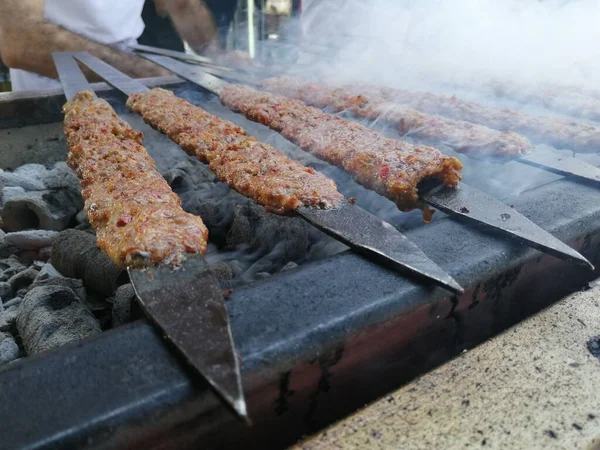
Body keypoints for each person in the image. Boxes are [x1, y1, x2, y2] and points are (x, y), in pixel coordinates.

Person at [0, 0, 224, 91]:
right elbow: (23, 43)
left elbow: (182, 5)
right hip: (53, 87)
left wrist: (216, 56)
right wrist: (144, 72)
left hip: (133, 75)